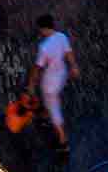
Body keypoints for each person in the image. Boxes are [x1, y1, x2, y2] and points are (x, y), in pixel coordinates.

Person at [27, 14, 79, 153]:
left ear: (43, 29)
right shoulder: (62, 37)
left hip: (50, 85)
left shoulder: (44, 47)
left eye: (40, 29)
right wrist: (74, 66)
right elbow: (69, 53)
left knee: (54, 110)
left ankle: (63, 142)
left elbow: (37, 68)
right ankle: (45, 115)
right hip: (62, 76)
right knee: (50, 102)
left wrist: (31, 86)